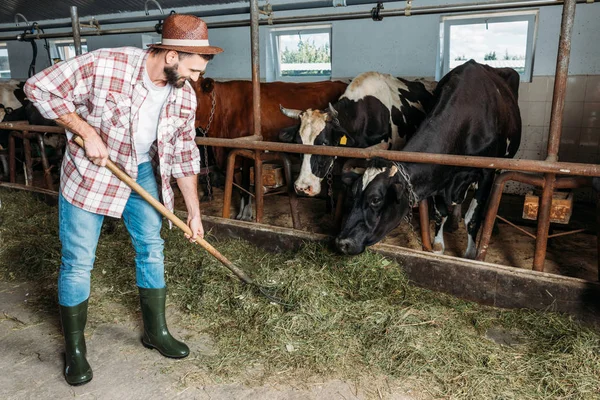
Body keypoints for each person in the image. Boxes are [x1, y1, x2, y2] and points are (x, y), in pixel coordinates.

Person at [24, 14, 223, 386]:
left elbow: (182, 155)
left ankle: (155, 332)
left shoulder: (184, 96)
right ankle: (76, 351)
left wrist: (194, 214)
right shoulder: (105, 64)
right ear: (169, 56)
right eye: (194, 70)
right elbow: (37, 88)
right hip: (90, 172)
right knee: (78, 261)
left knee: (151, 246)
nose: (197, 79)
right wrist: (85, 130)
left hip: (142, 170)